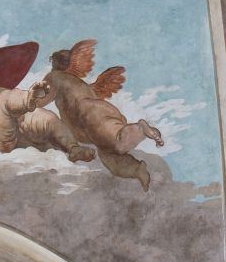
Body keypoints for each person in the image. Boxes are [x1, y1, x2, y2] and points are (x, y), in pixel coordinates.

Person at [30, 39, 164, 190]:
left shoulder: (55, 77)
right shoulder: (77, 83)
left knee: (116, 142)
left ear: (56, 64)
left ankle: (141, 128)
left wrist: (25, 102)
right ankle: (136, 169)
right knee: (109, 156)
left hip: (92, 114)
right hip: (97, 114)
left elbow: (40, 99)